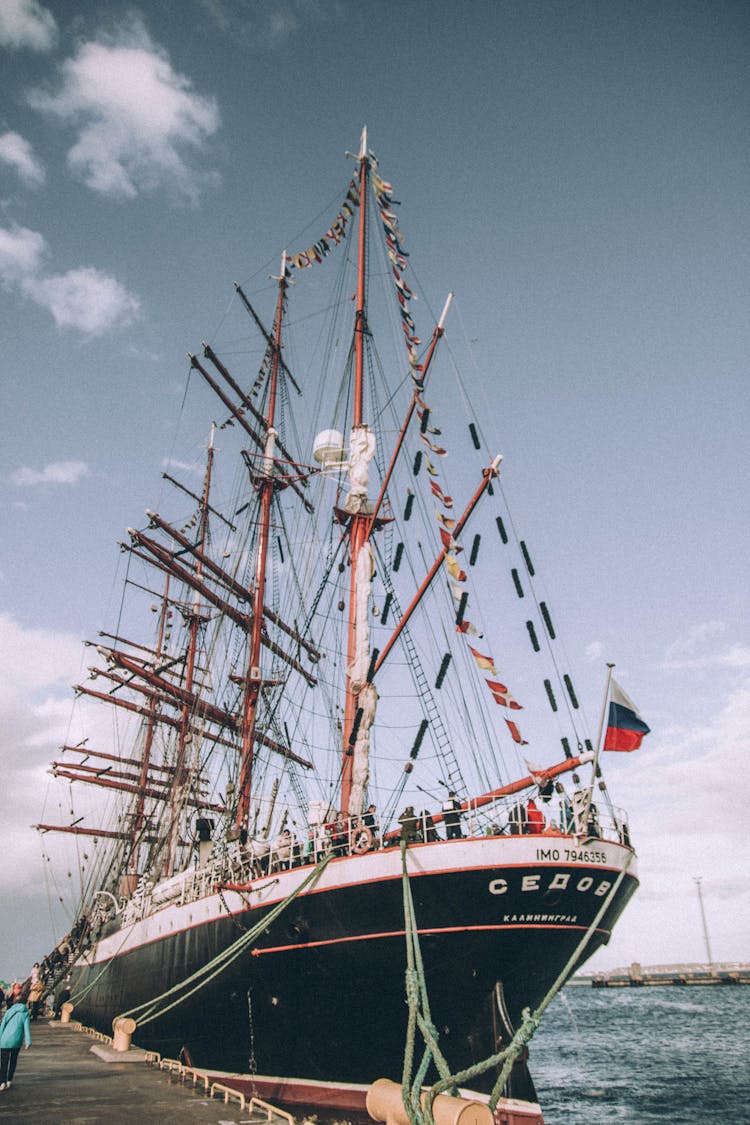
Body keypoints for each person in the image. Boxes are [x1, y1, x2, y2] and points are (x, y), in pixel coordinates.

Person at [0, 992, 31, 1091]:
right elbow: (26, 1028)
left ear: (14, 1002)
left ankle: (2, 1083)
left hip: (5, 1040)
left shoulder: (9, 1011)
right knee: (13, 1060)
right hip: (16, 1041)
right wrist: (28, 1041)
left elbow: (2, 1025)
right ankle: (9, 1080)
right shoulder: (25, 1013)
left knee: (4, 1062)